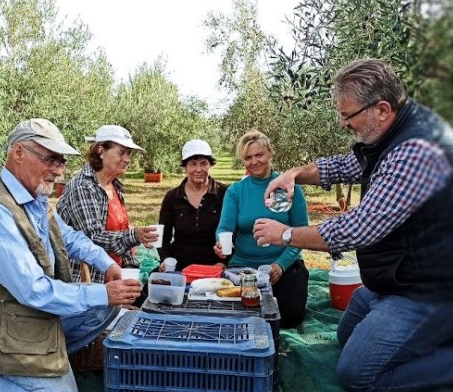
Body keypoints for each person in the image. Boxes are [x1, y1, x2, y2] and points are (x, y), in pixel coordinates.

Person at [254, 58, 453, 392]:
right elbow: (343, 166)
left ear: (381, 109)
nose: (342, 123)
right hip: (393, 280)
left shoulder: (414, 152)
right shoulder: (388, 133)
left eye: (347, 115)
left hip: (427, 289)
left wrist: (284, 234)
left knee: (357, 373)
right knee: (346, 336)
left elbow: (358, 229)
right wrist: (293, 174)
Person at [0, 118, 143, 392]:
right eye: (50, 159)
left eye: (62, 161)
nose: (59, 169)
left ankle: (46, 360)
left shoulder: (34, 200)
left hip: (28, 317)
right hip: (0, 330)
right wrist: (102, 291)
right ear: (18, 153)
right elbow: (34, 290)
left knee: (105, 307)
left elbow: (71, 238)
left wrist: (107, 265)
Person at [215, 130, 310, 327]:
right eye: (248, 157)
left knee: (289, 317)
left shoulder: (290, 188)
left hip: (283, 265)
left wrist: (280, 265)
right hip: (243, 267)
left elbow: (302, 233)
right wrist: (221, 243)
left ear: (270, 153)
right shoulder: (236, 191)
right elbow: (224, 228)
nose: (254, 162)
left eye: (259, 155)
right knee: (235, 314)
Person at [57, 125, 158, 284]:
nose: (127, 159)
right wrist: (135, 235)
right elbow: (92, 238)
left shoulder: (115, 187)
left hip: (114, 279)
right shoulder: (83, 187)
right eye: (121, 153)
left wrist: (131, 269)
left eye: (129, 154)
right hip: (88, 283)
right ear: (101, 151)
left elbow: (121, 233)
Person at [157, 139, 228, 271]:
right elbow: (163, 236)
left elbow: (234, 233)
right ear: (185, 167)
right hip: (180, 265)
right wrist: (165, 260)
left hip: (214, 265)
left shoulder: (224, 193)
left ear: (210, 165)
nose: (198, 169)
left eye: (203, 163)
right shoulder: (172, 197)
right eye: (193, 164)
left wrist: (223, 263)